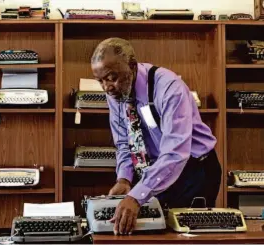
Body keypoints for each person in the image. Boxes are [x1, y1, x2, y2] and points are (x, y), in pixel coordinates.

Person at [90, 37, 222, 235]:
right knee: (155, 233)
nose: (106, 87)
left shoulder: (169, 88)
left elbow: (175, 152)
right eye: (100, 81)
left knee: (186, 235)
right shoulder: (115, 93)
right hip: (157, 170)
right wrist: (124, 179)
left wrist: (137, 196)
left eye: (111, 77)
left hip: (194, 170)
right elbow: (124, 142)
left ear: (132, 66)